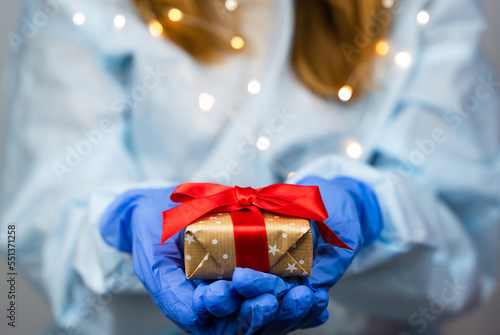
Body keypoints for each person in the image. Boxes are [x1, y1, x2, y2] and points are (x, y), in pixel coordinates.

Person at [1, 0, 499, 334]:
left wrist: (374, 214)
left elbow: (474, 246)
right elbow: (36, 222)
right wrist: (118, 225)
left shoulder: (420, 10)